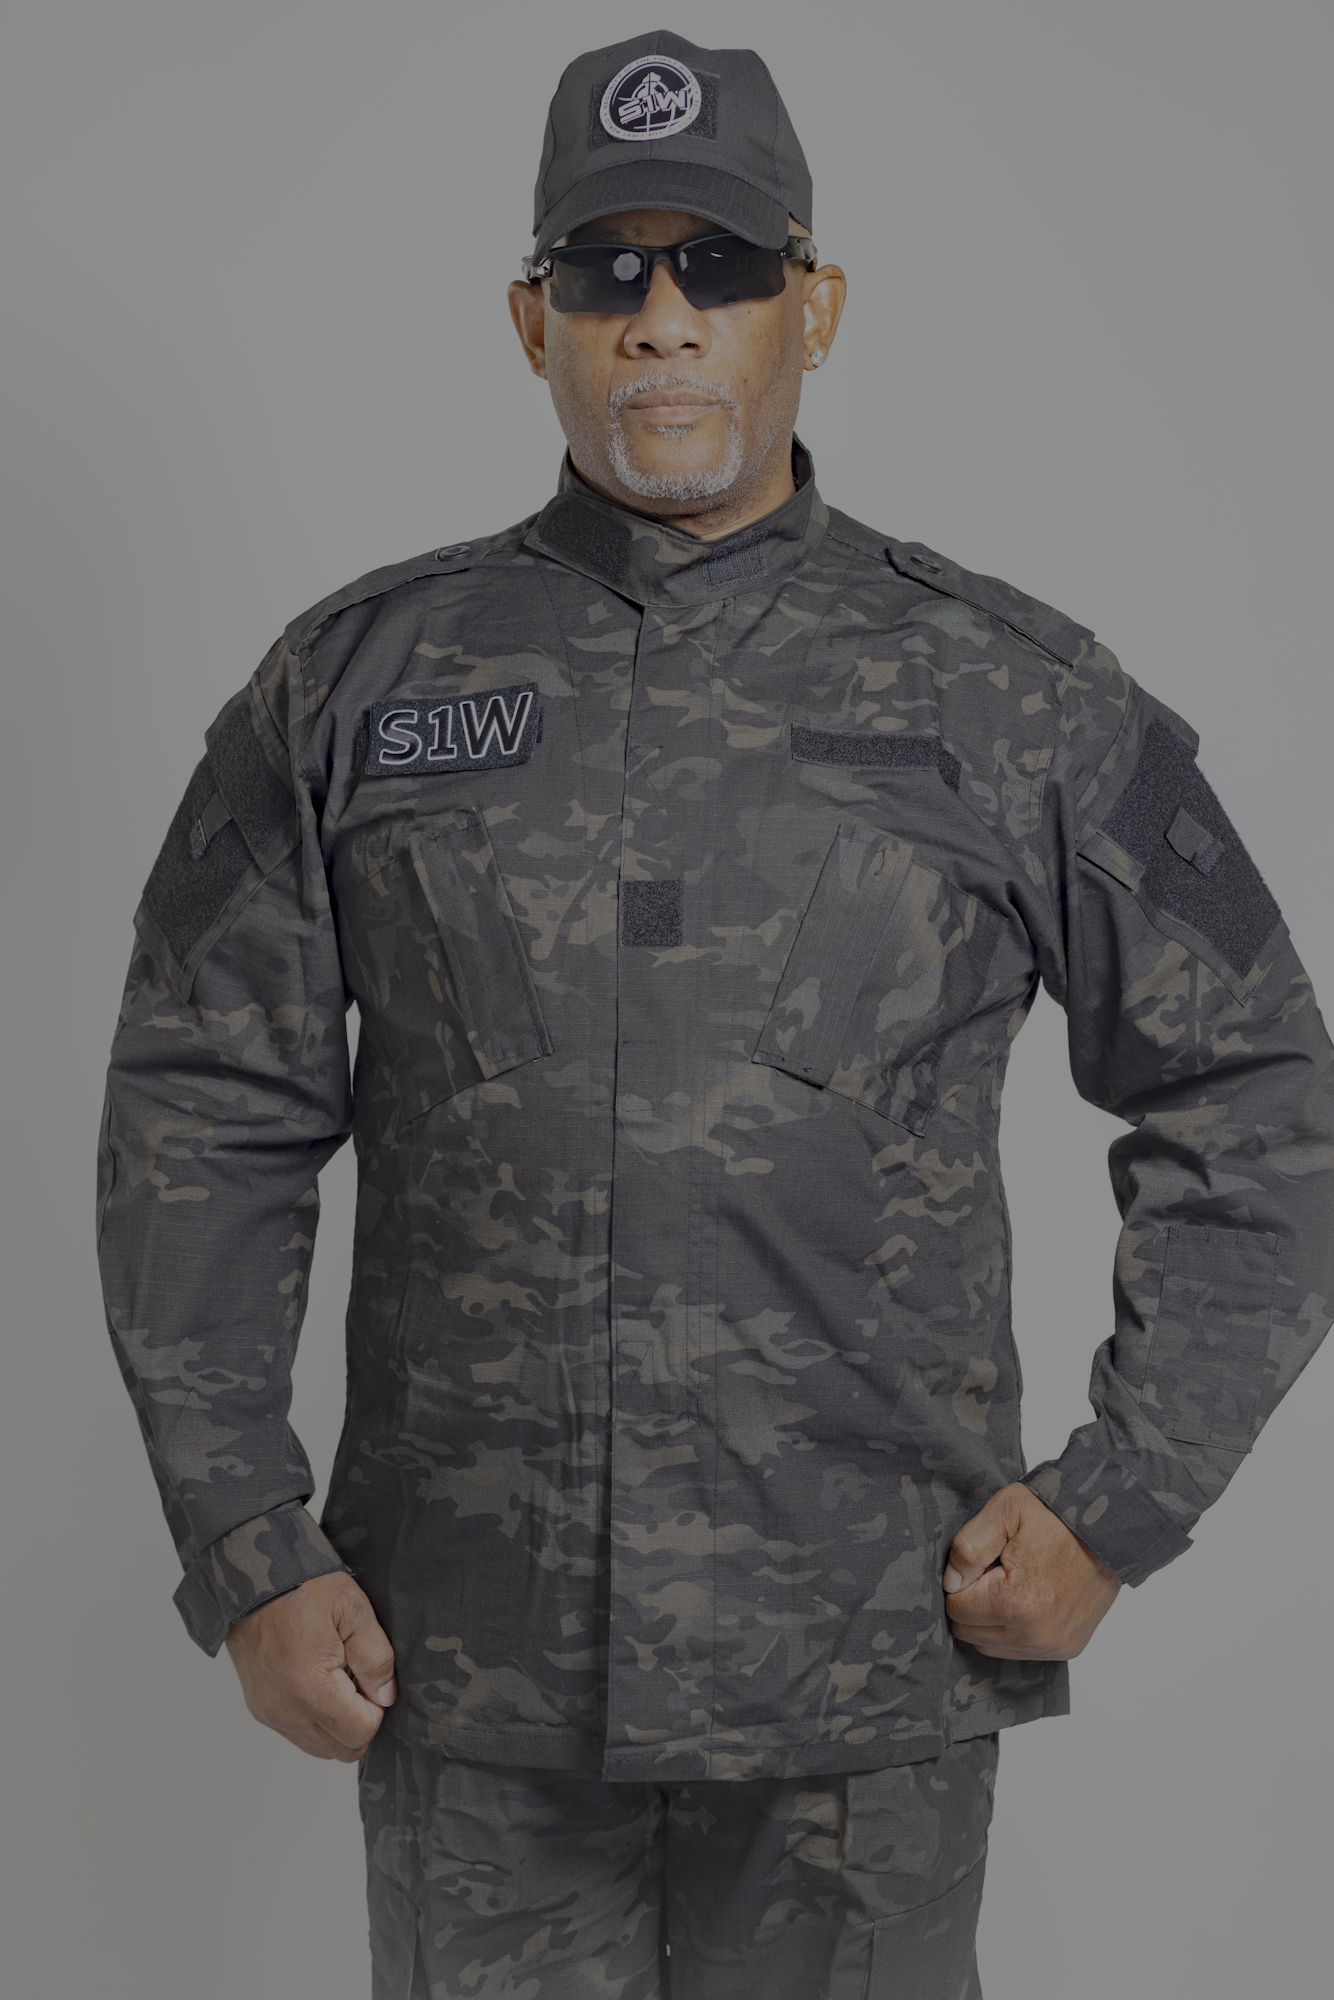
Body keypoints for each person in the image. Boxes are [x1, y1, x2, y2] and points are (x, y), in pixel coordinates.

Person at [96, 29, 1334, 2000]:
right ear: (533, 321)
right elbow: (199, 1115)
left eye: (720, 267)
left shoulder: (1013, 696)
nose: (660, 318)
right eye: (605, 269)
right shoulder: (350, 691)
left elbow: (1262, 1097)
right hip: (471, 1673)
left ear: (811, 306)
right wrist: (248, 1540)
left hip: (871, 1664)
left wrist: (1121, 1501)